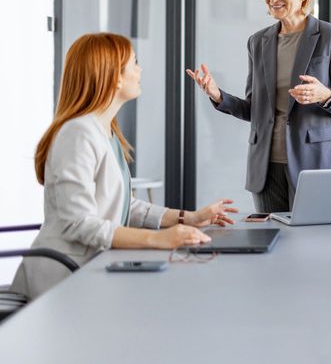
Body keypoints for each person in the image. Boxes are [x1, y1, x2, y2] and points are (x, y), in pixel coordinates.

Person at [11, 33, 238, 299]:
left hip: (92, 270)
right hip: (62, 281)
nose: (140, 70)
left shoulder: (104, 131)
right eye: (134, 62)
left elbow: (126, 206)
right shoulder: (78, 133)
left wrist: (190, 217)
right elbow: (79, 223)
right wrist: (159, 239)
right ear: (113, 76)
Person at [187, 0, 331, 213]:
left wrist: (325, 95)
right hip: (266, 168)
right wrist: (218, 95)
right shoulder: (258, 42)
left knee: (318, 247)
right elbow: (253, 110)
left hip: (317, 166)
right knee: (273, 244)